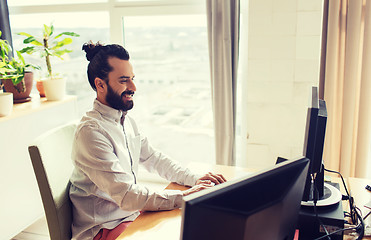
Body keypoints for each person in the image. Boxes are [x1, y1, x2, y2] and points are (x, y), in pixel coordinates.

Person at [69, 41, 227, 240]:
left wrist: (194, 179)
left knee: (197, 224)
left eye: (132, 79)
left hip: (130, 215)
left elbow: (154, 158)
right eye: (124, 80)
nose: (133, 87)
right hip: (103, 229)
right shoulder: (91, 133)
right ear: (100, 84)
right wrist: (185, 197)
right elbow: (127, 195)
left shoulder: (125, 120)